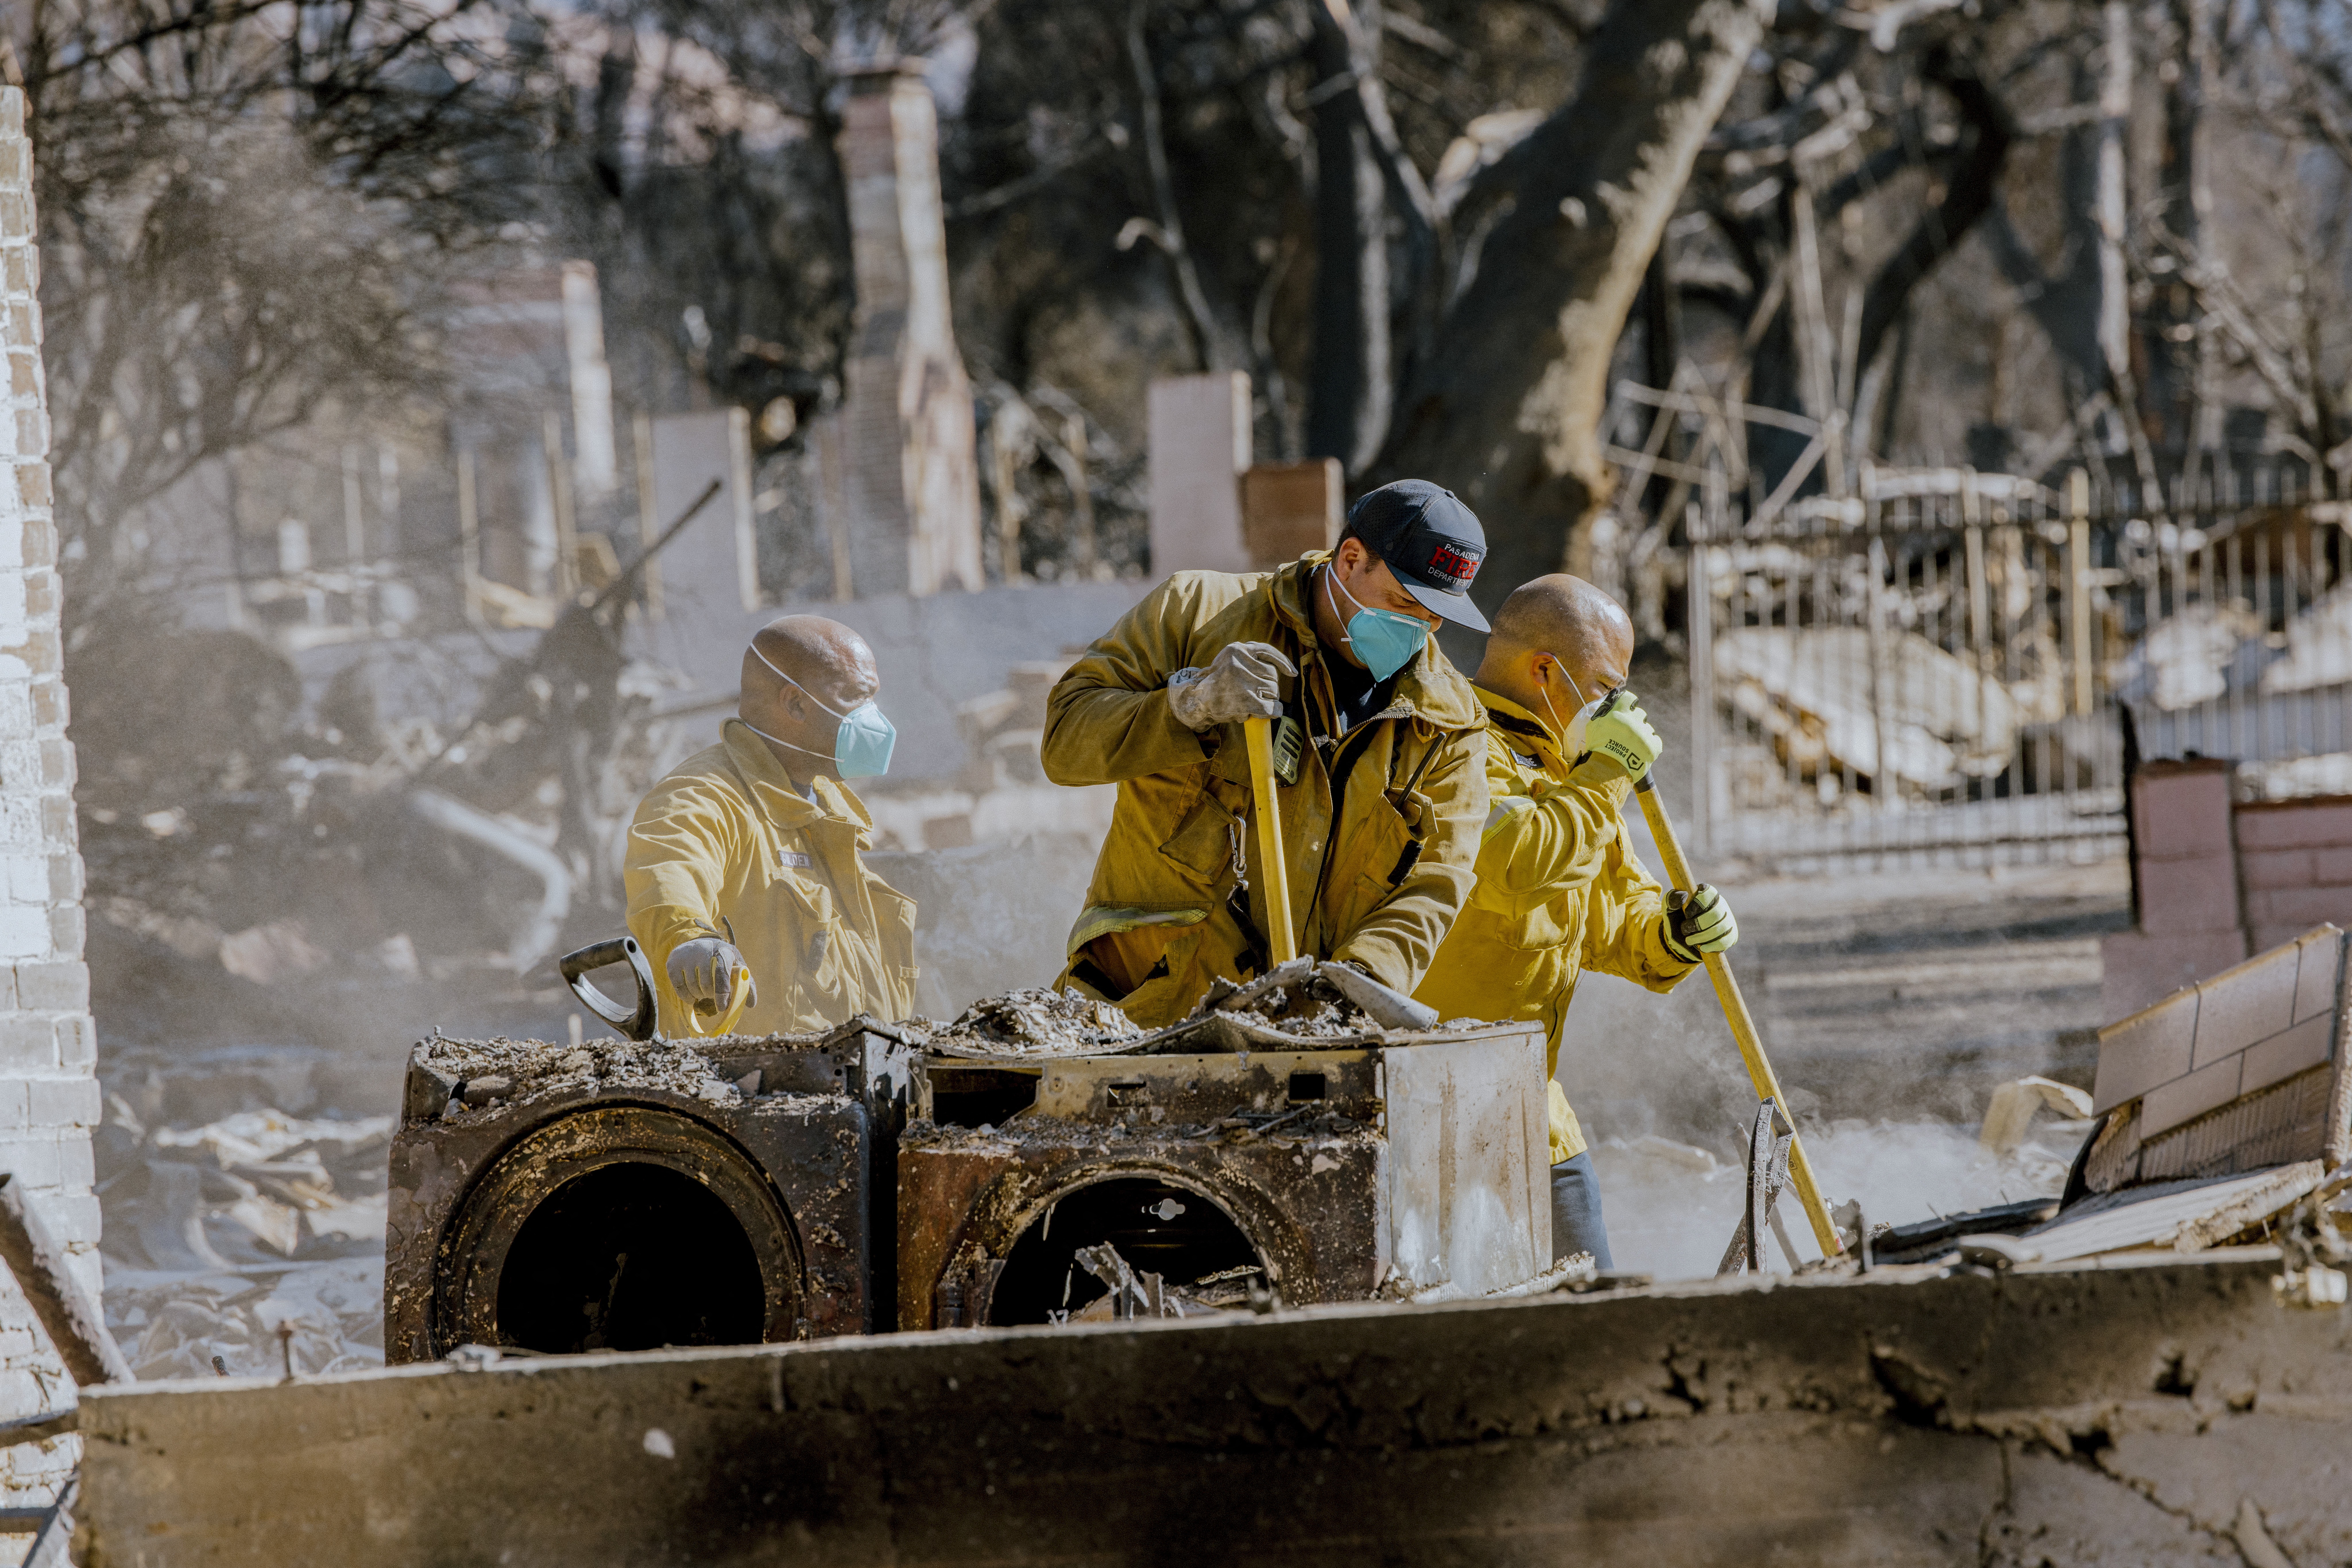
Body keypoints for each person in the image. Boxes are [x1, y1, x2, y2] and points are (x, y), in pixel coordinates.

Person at [1042, 480, 1493, 1028]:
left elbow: (1434, 884)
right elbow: (1064, 741)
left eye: (1436, 616)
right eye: (1404, 603)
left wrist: (1350, 993)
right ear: (1350, 560)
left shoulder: (1447, 722)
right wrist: (1190, 704)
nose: (1420, 628)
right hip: (1139, 1011)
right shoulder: (1198, 612)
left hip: (1301, 1032)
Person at [1412, 574, 1739, 1269]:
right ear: (1544, 670)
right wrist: (1609, 771)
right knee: (1443, 1311)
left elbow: (1617, 919)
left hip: (1530, 1106)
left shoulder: (1572, 767)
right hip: (1422, 1103)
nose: (1617, 706)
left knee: (1587, 1306)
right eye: (1605, 686)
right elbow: (1513, 868)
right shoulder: (1446, 742)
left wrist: (1675, 934)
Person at [624, 615, 917, 1036]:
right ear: (795, 703)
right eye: (856, 697)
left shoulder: (831, 808)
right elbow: (668, 874)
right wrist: (690, 940)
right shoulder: (704, 796)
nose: (873, 718)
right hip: (750, 1086)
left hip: (853, 1076)